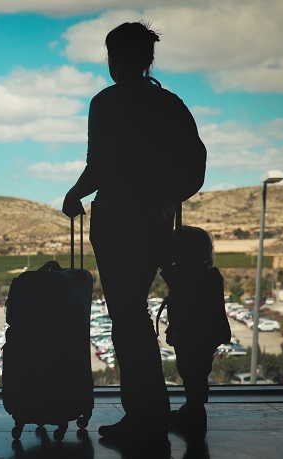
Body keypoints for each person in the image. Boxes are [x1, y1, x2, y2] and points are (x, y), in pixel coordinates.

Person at [62, 22, 204, 443]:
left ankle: (145, 416)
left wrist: (74, 194)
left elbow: (99, 164)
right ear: (148, 59)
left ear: (112, 59)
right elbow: (196, 164)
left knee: (127, 318)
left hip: (116, 221)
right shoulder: (170, 104)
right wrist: (165, 197)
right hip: (158, 222)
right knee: (171, 312)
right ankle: (180, 409)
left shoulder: (106, 103)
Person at [161, 225, 230, 437]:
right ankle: (193, 409)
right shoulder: (208, 275)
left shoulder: (192, 277)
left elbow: (182, 295)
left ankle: (194, 412)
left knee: (192, 374)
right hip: (200, 334)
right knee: (194, 373)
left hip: (193, 335)